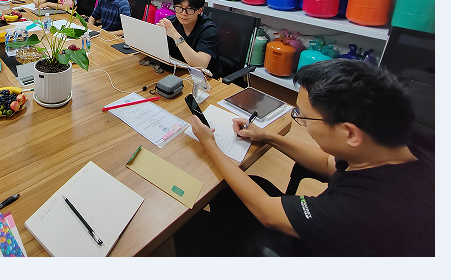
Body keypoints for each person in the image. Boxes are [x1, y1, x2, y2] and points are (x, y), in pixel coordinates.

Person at [175, 59, 435, 257]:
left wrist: (210, 145)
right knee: (240, 188)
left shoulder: (368, 209)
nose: (302, 122)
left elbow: (266, 211)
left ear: (349, 133)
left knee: (188, 227)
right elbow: (328, 163)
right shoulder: (390, 143)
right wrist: (268, 136)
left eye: (304, 116)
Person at [156, 0, 219, 78]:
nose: (183, 13)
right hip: (176, 71)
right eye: (179, 7)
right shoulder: (171, 22)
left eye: (189, 9)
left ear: (200, 10)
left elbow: (201, 65)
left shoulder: (209, 30)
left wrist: (175, 35)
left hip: (203, 78)